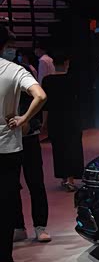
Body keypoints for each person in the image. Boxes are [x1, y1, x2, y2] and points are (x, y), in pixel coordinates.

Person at [1, 25, 47, 262]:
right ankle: (4, 260)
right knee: (7, 200)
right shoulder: (15, 70)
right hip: (9, 145)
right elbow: (40, 96)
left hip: (16, 144)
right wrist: (23, 119)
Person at [13, 79, 50, 243]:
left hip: (28, 138)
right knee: (11, 186)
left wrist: (28, 120)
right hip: (8, 140)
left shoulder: (23, 75)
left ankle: (40, 226)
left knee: (36, 183)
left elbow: (39, 100)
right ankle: (18, 226)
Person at [41, 52, 84, 192]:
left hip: (55, 118)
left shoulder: (47, 81)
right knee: (72, 147)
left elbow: (45, 104)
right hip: (72, 118)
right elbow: (80, 100)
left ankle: (64, 177)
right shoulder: (74, 79)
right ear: (67, 63)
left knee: (59, 147)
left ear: (53, 63)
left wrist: (44, 122)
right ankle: (70, 179)